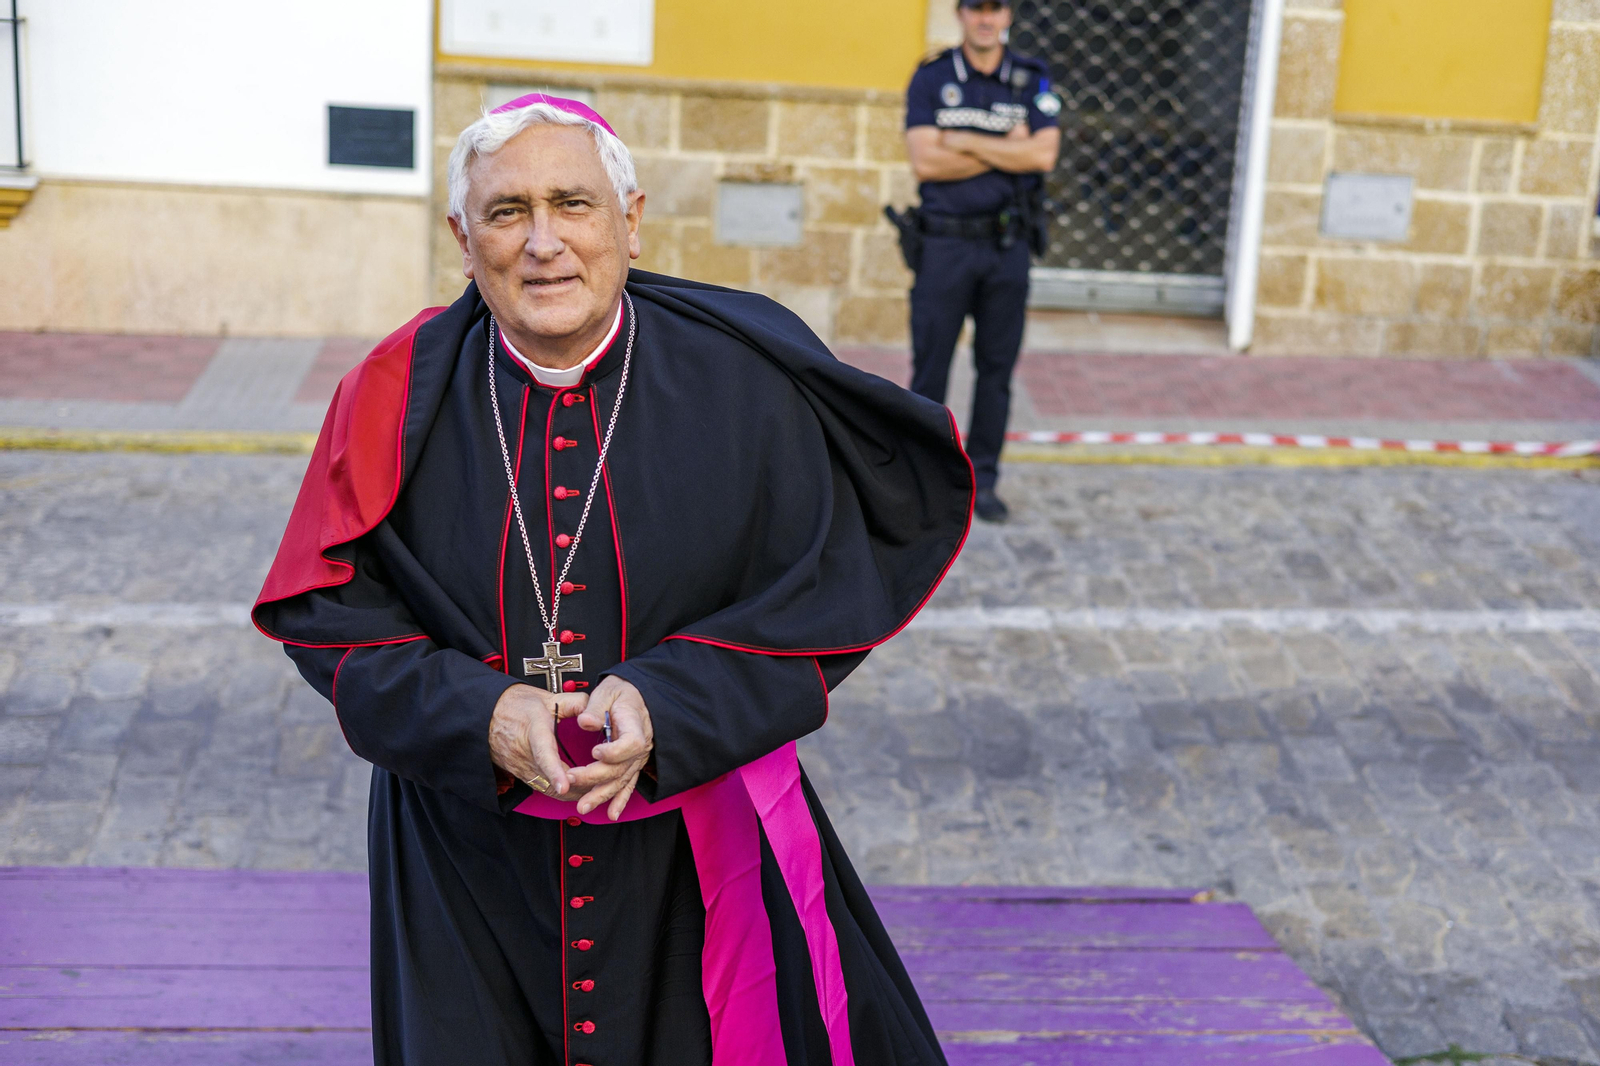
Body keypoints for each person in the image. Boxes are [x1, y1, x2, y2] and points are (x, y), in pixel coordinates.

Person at [253, 93, 973, 1066]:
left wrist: (673, 696)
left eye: (572, 204)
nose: (543, 242)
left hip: (693, 858)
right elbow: (329, 619)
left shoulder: (743, 378)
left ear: (629, 222)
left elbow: (827, 590)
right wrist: (481, 715)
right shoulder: (390, 393)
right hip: (466, 866)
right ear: (463, 239)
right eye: (507, 212)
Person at [902, 0, 1061, 523]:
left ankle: (982, 483)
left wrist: (964, 139)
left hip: (1007, 249)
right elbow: (926, 161)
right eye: (976, 8)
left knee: (996, 371)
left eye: (996, 8)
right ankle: (920, 484)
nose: (986, 18)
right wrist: (1004, 144)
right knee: (930, 369)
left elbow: (1043, 155)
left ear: (1009, 15)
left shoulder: (1032, 79)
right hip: (944, 247)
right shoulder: (932, 77)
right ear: (961, 14)